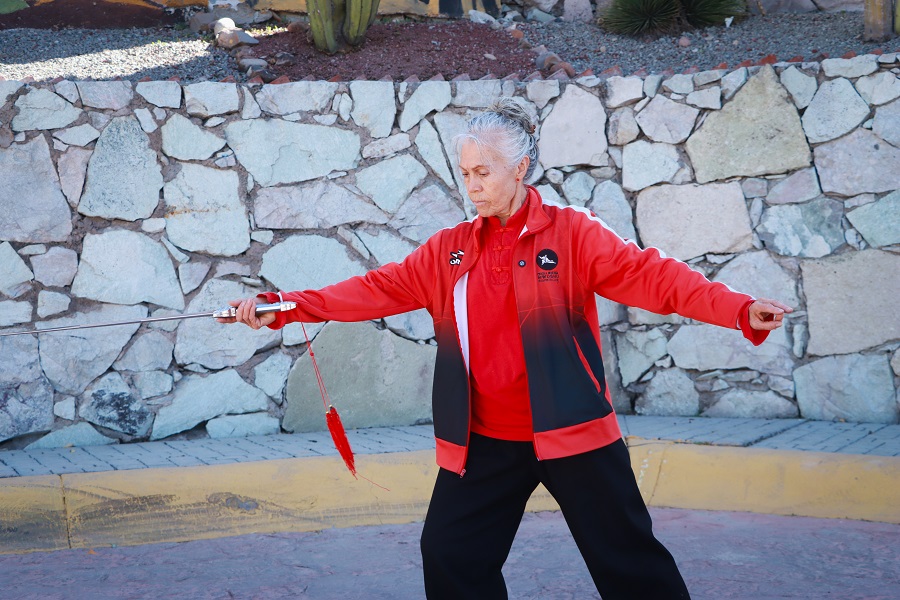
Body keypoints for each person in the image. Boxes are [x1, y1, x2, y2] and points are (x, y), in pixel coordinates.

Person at [220, 98, 792, 599]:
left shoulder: (572, 234)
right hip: (486, 440)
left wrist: (738, 309)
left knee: (629, 564)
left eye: (484, 172)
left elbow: (656, 278)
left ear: (520, 169)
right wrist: (286, 306)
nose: (472, 186)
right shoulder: (448, 250)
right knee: (450, 556)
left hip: (573, 433)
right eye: (465, 173)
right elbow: (378, 288)